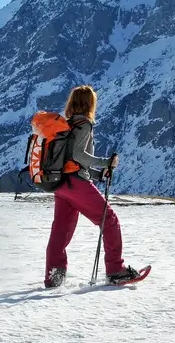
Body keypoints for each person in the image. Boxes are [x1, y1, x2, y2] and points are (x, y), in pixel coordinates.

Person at [44, 84, 141, 288]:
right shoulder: (84, 124)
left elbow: (72, 160)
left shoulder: (66, 125)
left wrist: (97, 174)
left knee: (60, 230)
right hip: (75, 184)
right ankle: (115, 270)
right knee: (110, 220)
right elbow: (79, 156)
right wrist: (106, 163)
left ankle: (54, 276)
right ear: (89, 104)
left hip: (61, 184)